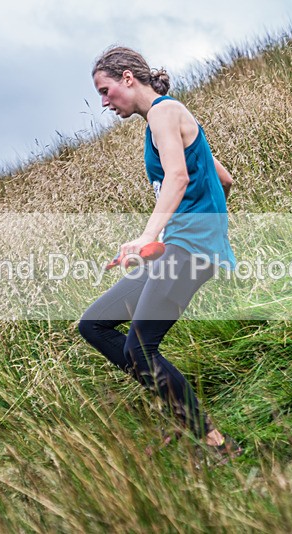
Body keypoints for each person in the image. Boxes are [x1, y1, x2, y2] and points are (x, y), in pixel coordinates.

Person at [78, 46, 241, 461]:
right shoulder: (164, 120)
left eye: (106, 90)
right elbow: (223, 178)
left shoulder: (164, 113)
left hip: (189, 249)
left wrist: (149, 236)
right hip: (181, 246)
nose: (104, 102)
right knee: (94, 325)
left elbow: (178, 177)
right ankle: (183, 414)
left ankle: (215, 443)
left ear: (128, 78)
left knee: (140, 349)